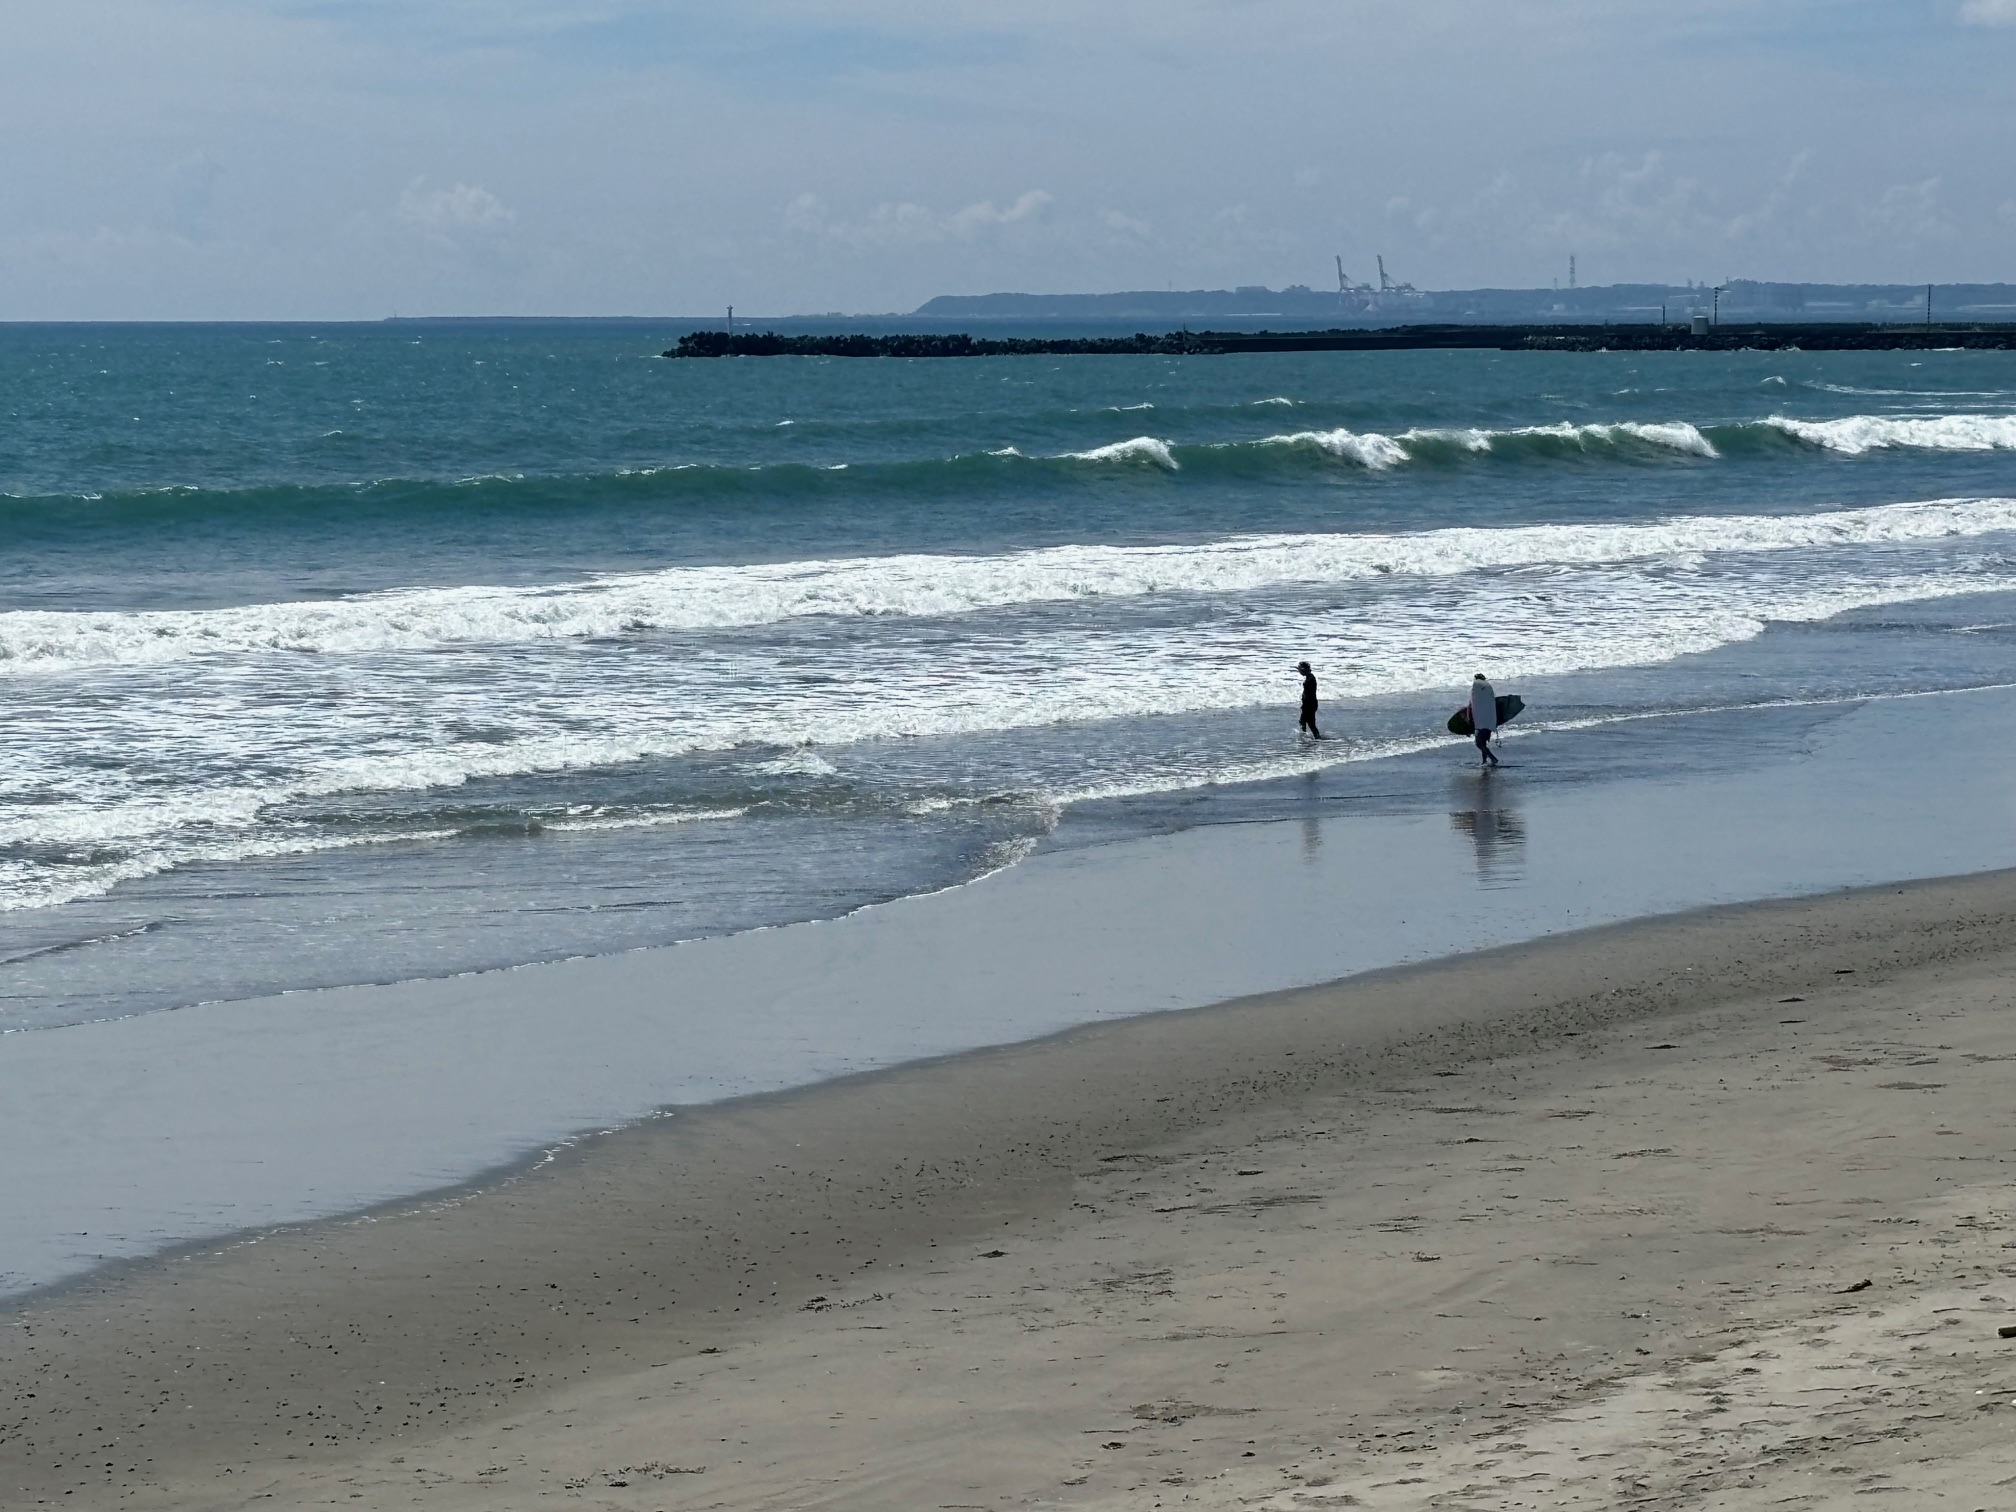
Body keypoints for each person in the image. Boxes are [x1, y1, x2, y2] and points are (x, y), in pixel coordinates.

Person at [1469, 672, 1500, 767]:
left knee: (1479, 743)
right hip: (1489, 720)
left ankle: (1493, 758)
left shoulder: (1477, 688)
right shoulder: (1488, 688)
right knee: (1482, 742)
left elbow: (1473, 703)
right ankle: (1484, 761)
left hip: (1480, 720)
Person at [1296, 661, 1323, 739]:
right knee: (1303, 721)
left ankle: (1314, 738)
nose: (1299, 672)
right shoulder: (1309, 677)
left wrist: (1305, 704)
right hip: (1309, 703)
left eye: (1300, 670)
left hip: (1310, 704)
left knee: (1309, 723)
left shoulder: (1310, 678)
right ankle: (1306, 736)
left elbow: (1309, 693)